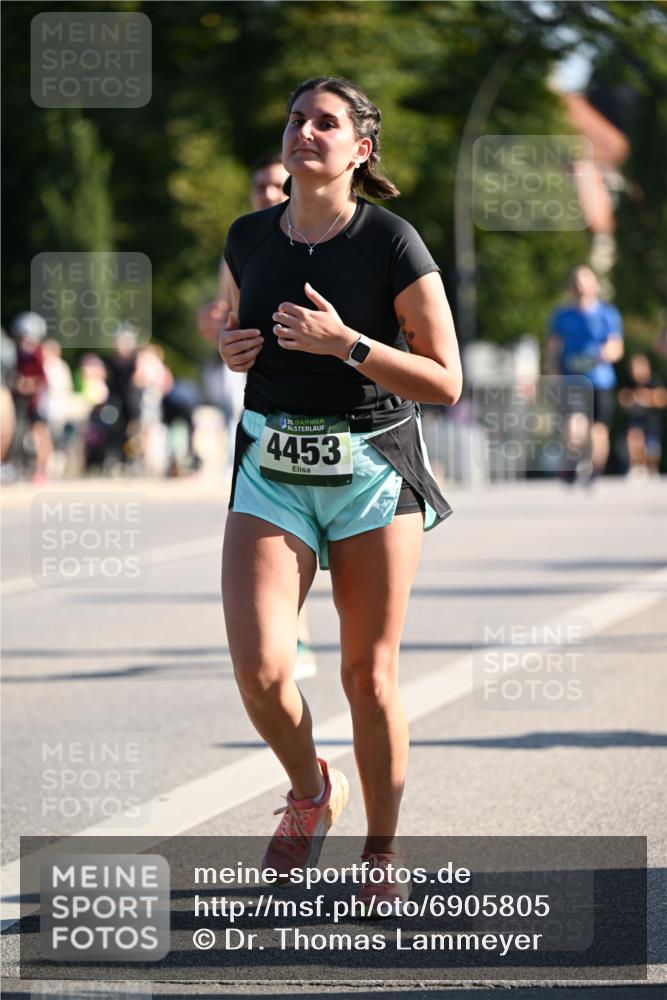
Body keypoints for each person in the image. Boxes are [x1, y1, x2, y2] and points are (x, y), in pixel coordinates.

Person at [218, 77, 462, 912]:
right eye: (296, 119)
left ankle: (381, 851)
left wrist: (346, 344)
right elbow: (229, 325)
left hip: (370, 469)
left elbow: (444, 380)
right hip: (270, 466)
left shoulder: (391, 242)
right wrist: (234, 347)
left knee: (369, 679)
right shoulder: (248, 236)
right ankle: (309, 788)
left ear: (360, 149)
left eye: (327, 123)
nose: (305, 133)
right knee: (259, 668)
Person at [200, 152, 318, 679]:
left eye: (278, 185)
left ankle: (296, 629)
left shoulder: (323, 233)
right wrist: (225, 338)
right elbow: (228, 317)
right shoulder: (244, 239)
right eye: (261, 187)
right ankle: (291, 631)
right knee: (281, 534)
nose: (270, 194)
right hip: (264, 406)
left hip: (339, 416)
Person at [548, 266, 624, 481]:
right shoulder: (562, 315)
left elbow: (616, 346)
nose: (581, 286)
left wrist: (603, 354)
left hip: (600, 379)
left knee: (598, 427)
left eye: (585, 281)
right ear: (572, 286)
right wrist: (552, 371)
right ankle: (572, 462)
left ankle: (595, 469)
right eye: (577, 281)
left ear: (595, 285)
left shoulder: (607, 314)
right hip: (571, 378)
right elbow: (554, 345)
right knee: (573, 420)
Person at [618, 353, 667, 477]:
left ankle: (652, 468)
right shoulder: (629, 382)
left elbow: (662, 398)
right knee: (634, 438)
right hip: (636, 419)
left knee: (652, 448)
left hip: (652, 420)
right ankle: (637, 466)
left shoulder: (654, 380)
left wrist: (646, 397)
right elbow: (622, 398)